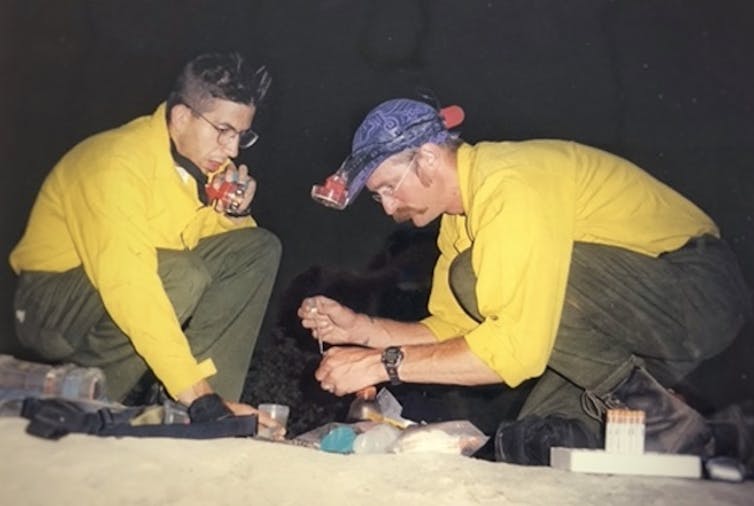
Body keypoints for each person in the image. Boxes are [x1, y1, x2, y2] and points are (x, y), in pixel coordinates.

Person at [299, 97, 752, 464]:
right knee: (534, 442)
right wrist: (361, 330)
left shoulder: (509, 184)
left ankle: (657, 416)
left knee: (472, 275)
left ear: (429, 160)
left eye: (388, 187)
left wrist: (382, 365)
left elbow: (512, 352)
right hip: (627, 332)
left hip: (697, 289)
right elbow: (452, 333)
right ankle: (719, 439)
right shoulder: (463, 221)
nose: (386, 205)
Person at [9, 52, 282, 426]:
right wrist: (194, 392)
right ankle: (85, 406)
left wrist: (230, 215)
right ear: (182, 116)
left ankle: (214, 409)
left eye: (241, 135)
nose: (232, 150)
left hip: (131, 283)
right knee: (181, 275)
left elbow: (227, 259)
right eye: (223, 131)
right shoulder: (116, 163)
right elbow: (130, 284)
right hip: (49, 305)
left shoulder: (203, 168)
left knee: (259, 248)